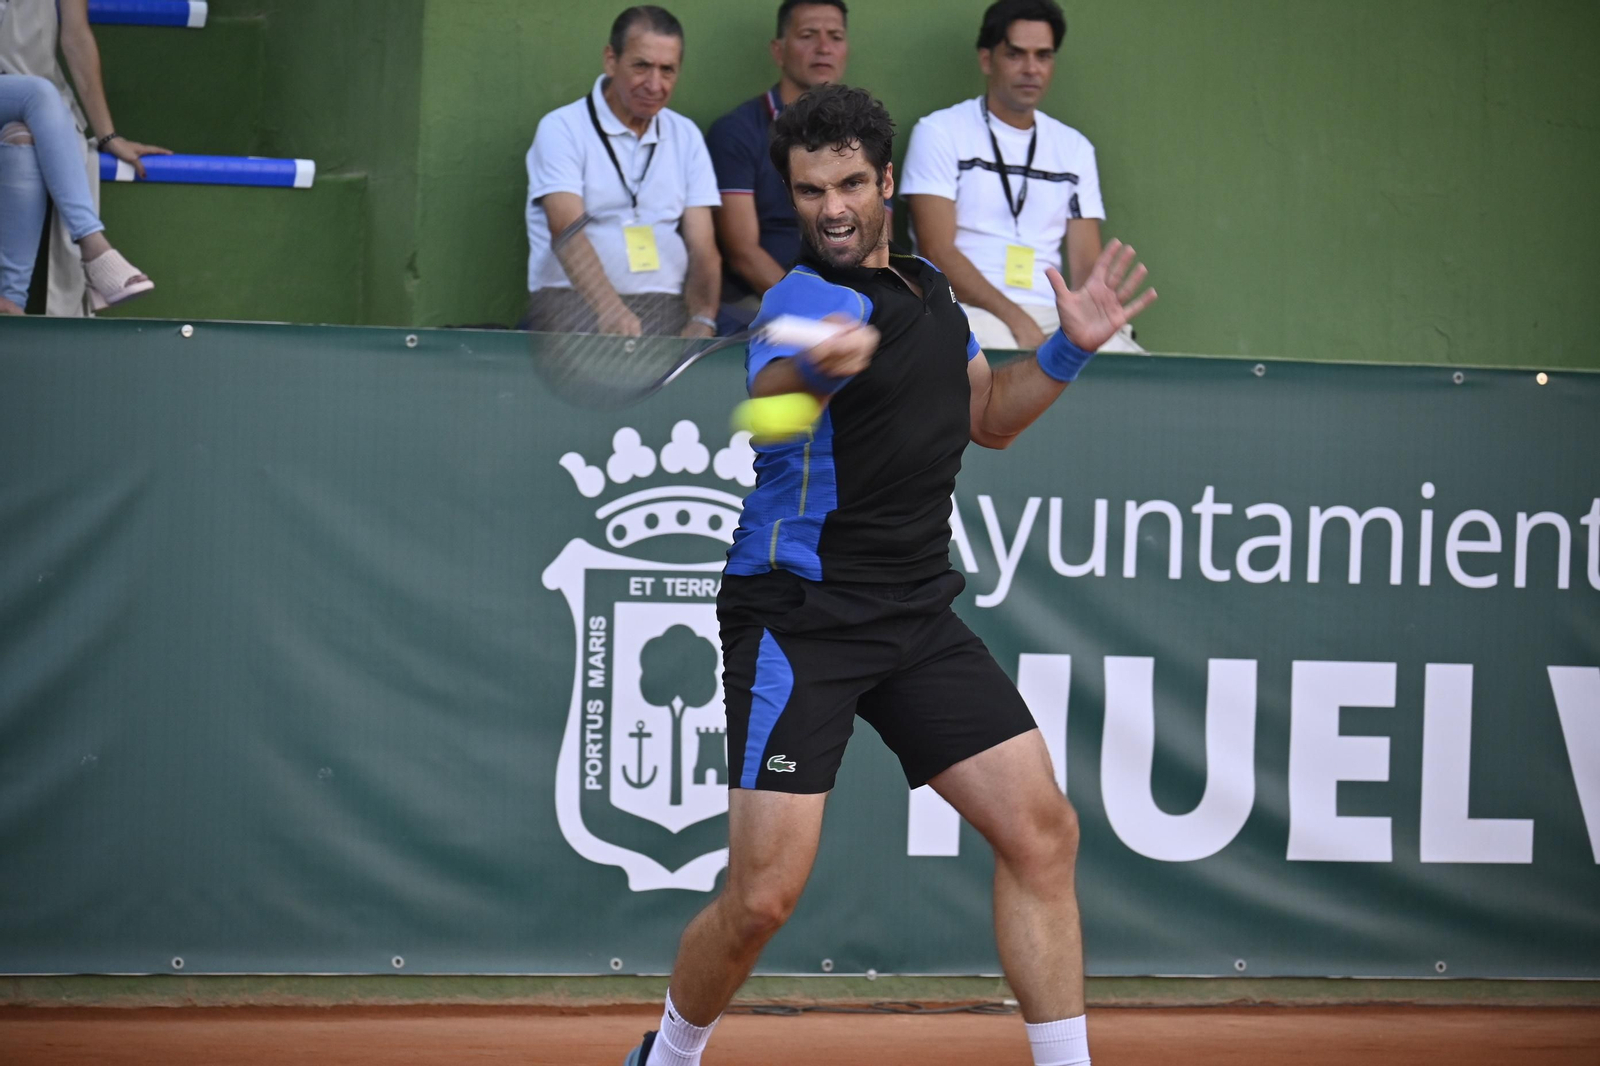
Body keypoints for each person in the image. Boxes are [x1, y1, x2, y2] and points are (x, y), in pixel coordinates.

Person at [624, 84, 1155, 1066]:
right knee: (762, 898)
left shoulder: (930, 289)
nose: (830, 208)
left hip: (915, 613)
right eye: (808, 190)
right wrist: (814, 372)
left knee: (1041, 832)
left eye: (850, 185)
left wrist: (1067, 350)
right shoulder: (801, 301)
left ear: (888, 182)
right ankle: (667, 1055)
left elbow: (989, 418)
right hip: (801, 618)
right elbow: (771, 406)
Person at [900, 0, 1142, 353]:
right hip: (967, 309)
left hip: (1054, 313)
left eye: (1043, 56)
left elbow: (1085, 268)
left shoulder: (1075, 148)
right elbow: (937, 252)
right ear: (987, 60)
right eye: (1016, 55)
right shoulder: (939, 132)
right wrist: (1017, 320)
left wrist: (1092, 314)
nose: (1031, 69)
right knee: (997, 355)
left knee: (1127, 364)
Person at [524, 5, 721, 338]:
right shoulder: (562, 128)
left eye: (667, 70)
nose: (654, 84)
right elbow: (566, 230)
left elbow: (702, 247)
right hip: (575, 305)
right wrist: (610, 310)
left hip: (668, 307)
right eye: (642, 66)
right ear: (611, 60)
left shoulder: (685, 135)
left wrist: (703, 319)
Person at [0, 0, 168, 313]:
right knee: (39, 93)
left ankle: (10, 302)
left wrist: (108, 137)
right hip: (31, 95)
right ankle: (93, 246)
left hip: (25, 97)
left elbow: (76, 36)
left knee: (22, 140)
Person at [705, 0, 855, 331]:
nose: (824, 48)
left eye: (835, 37)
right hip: (761, 303)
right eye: (808, 35)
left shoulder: (864, 136)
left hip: (847, 305)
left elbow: (877, 240)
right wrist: (813, 310)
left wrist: (857, 306)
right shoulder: (737, 131)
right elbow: (742, 251)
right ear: (778, 51)